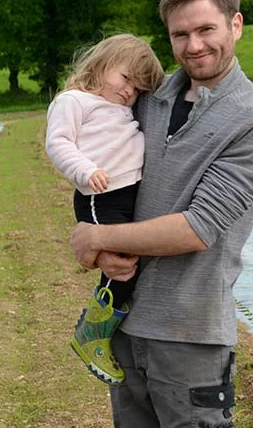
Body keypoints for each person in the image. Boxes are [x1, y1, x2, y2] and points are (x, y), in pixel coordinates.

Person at [70, 0, 253, 428]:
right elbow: (99, 172)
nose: (193, 45)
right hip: (124, 329)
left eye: (206, 29)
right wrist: (96, 241)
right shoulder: (148, 99)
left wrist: (99, 237)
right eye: (180, 34)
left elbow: (197, 228)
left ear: (235, 25)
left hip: (189, 335)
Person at [45, 34, 165, 385]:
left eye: (138, 88)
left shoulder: (123, 108)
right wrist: (86, 171)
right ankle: (93, 333)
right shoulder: (74, 101)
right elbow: (58, 142)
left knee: (127, 263)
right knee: (122, 265)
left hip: (124, 194)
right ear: (100, 64)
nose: (129, 92)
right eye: (126, 79)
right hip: (101, 194)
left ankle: (98, 328)